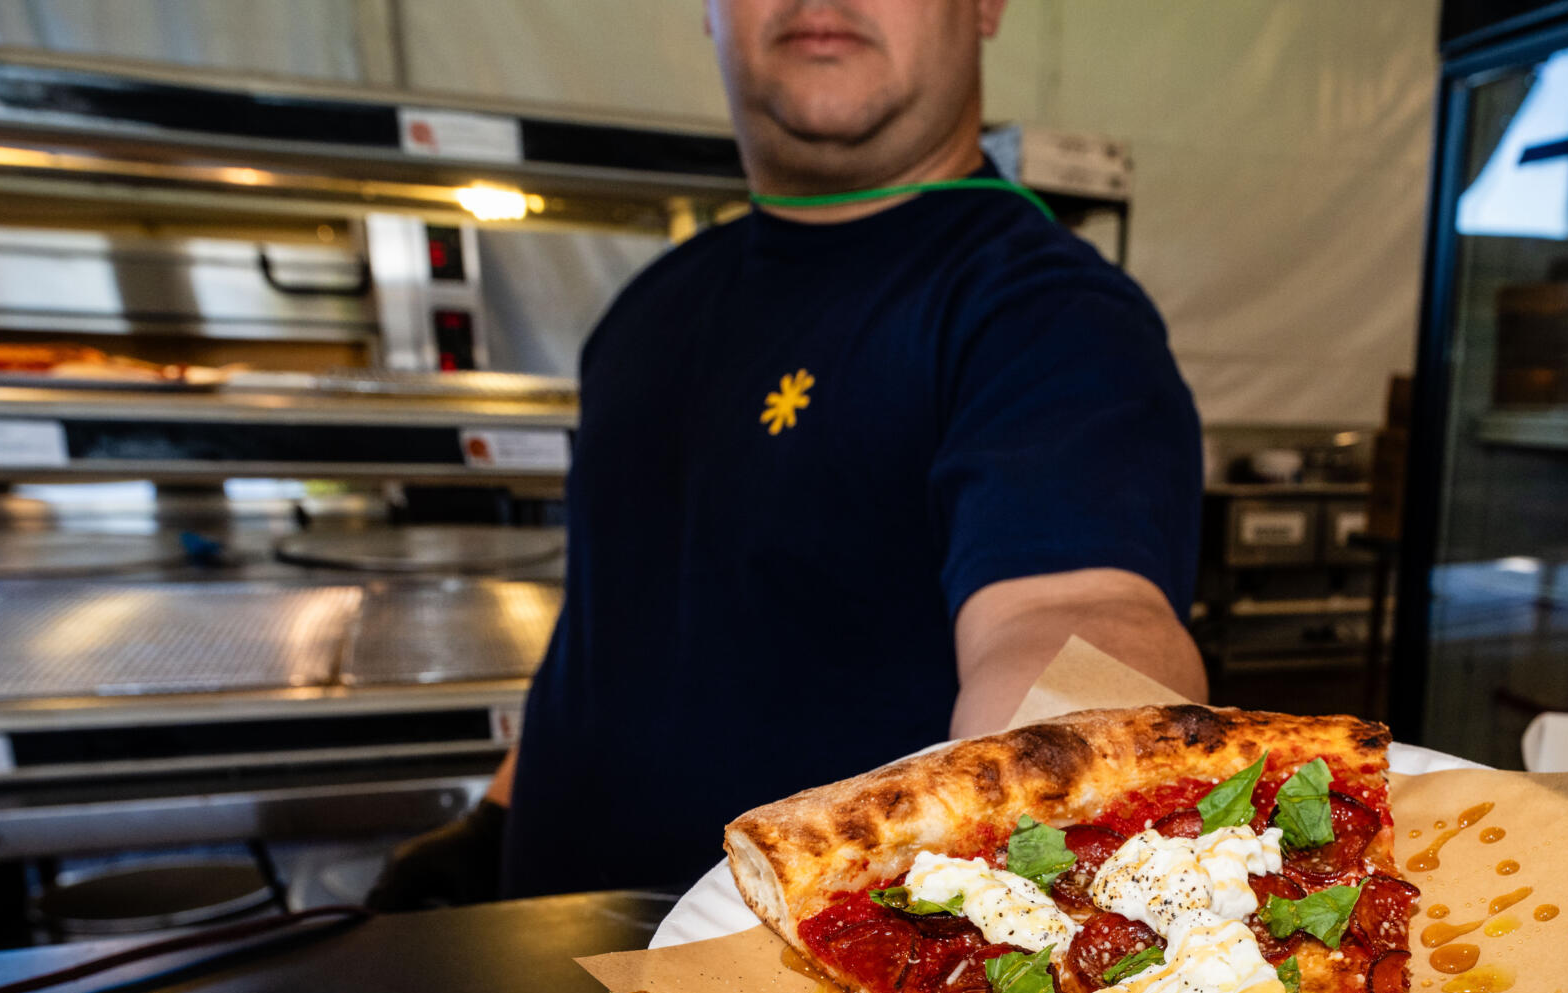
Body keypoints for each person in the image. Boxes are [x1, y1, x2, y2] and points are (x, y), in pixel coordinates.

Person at [370, 0, 1205, 907]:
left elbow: (1075, 618)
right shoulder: (649, 307)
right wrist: (496, 816)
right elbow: (620, 626)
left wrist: (1044, 877)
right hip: (542, 955)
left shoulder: (1047, 314)